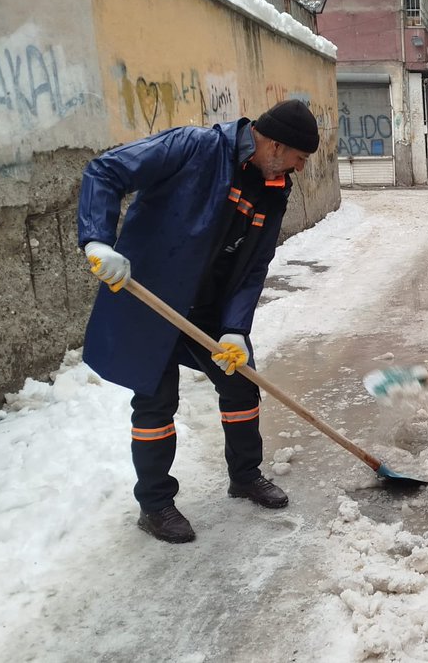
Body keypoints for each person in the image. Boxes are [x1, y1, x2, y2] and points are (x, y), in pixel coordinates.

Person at [77, 99, 319, 543]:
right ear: (275, 145)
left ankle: (244, 476)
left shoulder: (273, 185)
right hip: (151, 297)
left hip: (208, 307)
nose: (301, 169)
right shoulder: (193, 147)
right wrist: (96, 240)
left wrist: (235, 327)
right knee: (156, 402)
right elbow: (105, 171)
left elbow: (254, 265)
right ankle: (155, 506)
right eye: (300, 158)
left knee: (241, 382)